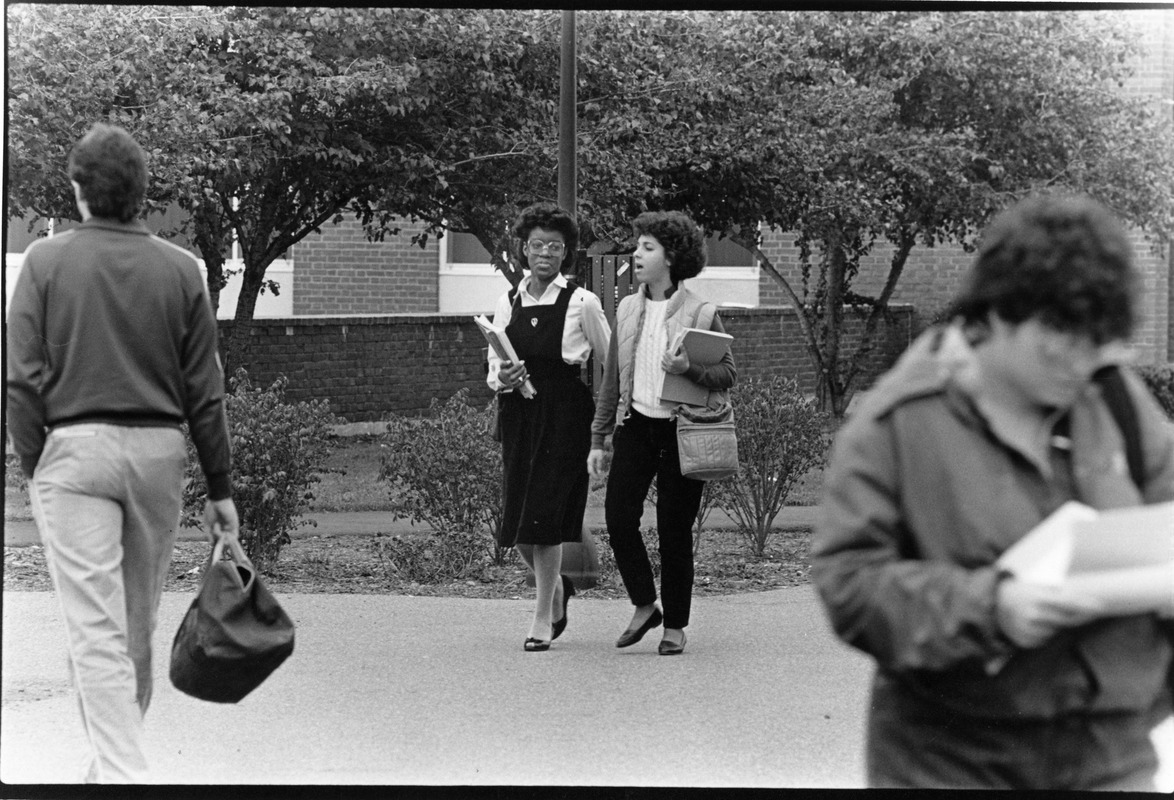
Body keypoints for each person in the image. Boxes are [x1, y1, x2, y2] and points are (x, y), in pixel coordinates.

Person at [811, 194, 1174, 790]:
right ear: (1000, 313)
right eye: (1057, 333)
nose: (1077, 359)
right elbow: (848, 582)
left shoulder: (1116, 402)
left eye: (1095, 338)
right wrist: (992, 607)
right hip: (953, 759)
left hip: (1111, 751)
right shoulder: (898, 422)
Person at [6, 122, 239, 782]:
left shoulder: (47, 262)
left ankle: (125, 774)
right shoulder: (181, 269)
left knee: (95, 631)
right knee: (134, 627)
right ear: (142, 195)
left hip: (72, 454)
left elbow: (20, 378)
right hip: (158, 453)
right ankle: (110, 769)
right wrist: (220, 489)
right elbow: (206, 392)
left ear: (79, 190)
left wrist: (35, 462)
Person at [587, 210, 736, 656]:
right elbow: (610, 378)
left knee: (674, 530)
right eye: (638, 246)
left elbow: (728, 373)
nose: (636, 254)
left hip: (681, 431)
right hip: (636, 426)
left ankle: (675, 624)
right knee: (617, 517)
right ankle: (643, 603)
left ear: (671, 257)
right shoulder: (628, 307)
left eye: (646, 248)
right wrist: (598, 438)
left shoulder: (700, 311)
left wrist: (688, 367)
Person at [488, 202, 610, 651]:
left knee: (547, 516)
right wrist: (502, 376)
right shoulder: (509, 300)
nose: (544, 253)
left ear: (565, 253)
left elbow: (609, 361)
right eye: (537, 244)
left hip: (565, 417)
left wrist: (606, 421)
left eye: (554, 246)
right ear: (523, 248)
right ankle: (557, 589)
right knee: (519, 519)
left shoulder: (582, 302)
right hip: (519, 415)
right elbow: (492, 363)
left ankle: (542, 618)